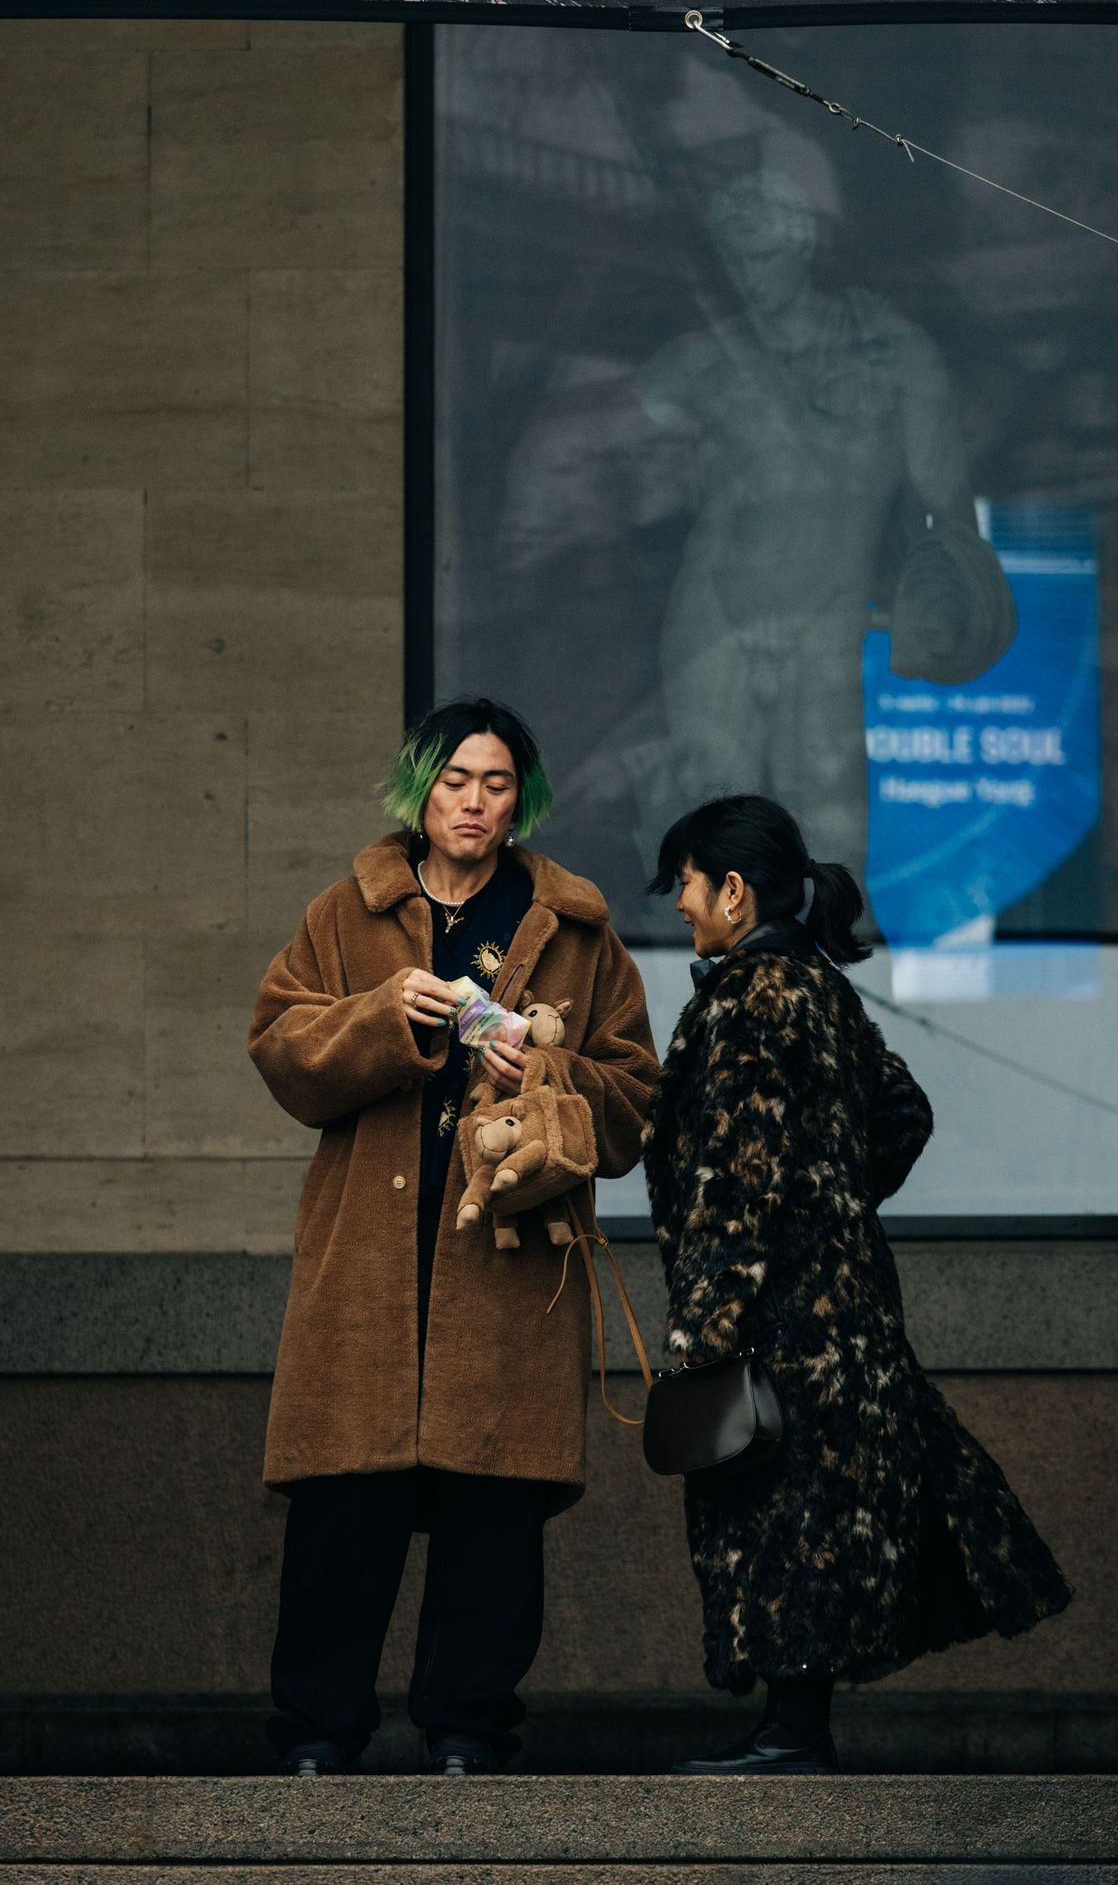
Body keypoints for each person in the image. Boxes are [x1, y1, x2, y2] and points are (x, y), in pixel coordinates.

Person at [248, 697, 656, 1776]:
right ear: (418, 792)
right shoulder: (345, 915)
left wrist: (554, 1075)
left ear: (524, 797)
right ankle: (318, 1732)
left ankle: (469, 1730)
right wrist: (387, 1016)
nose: (475, 802)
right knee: (347, 1498)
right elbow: (281, 1050)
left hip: (507, 1259)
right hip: (367, 1259)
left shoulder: (575, 928)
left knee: (492, 1503)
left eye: (498, 783)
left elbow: (633, 1099)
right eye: (455, 782)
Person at [642, 793, 1071, 1774]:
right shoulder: (820, 987)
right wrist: (838, 1194)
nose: (679, 904)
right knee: (817, 1513)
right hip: (846, 1308)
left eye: (690, 884)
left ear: (735, 891)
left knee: (781, 1512)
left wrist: (706, 1326)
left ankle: (792, 1733)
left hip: (782, 1314)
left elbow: (739, 1177)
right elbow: (904, 1114)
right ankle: (794, 1725)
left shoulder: (751, 997)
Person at [632, 168, 1016, 893]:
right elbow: (612, 459)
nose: (749, 277)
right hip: (716, 607)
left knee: (830, 814)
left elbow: (948, 506)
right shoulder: (697, 359)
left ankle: (830, 992)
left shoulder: (894, 356)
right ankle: (711, 994)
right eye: (734, 258)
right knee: (708, 817)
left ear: (806, 246)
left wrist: (939, 604)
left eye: (765, 255)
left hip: (827, 611)